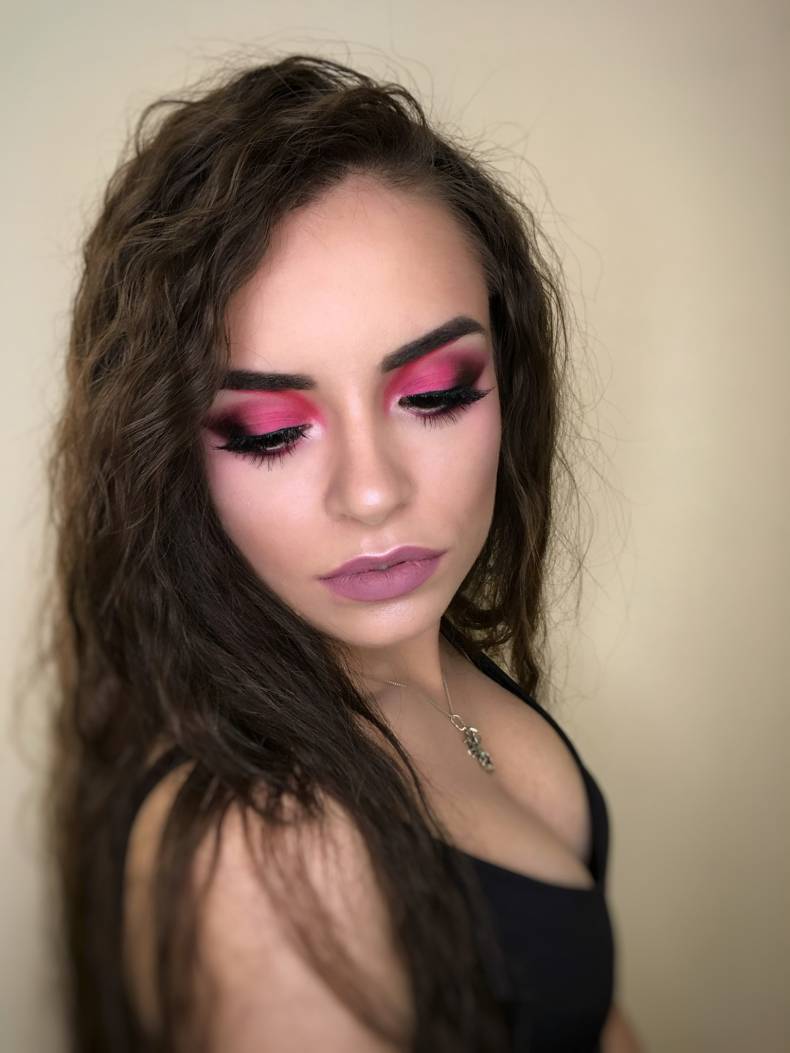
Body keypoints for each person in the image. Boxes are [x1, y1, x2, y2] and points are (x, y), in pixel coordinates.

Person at [43, 53, 642, 1052]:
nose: (371, 491)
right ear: (165, 457)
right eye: (271, 431)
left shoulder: (433, 671)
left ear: (508, 380)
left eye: (435, 394)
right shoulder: (264, 848)